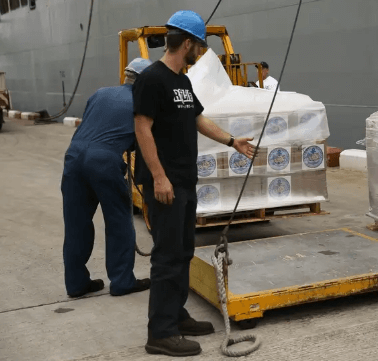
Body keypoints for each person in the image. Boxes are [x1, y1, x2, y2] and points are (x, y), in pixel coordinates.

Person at [133, 10, 256, 357]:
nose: (199, 53)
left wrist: (233, 141)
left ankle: (176, 313)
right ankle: (160, 332)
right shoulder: (152, 79)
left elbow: (197, 118)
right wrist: (159, 176)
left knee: (183, 252)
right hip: (165, 185)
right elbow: (142, 127)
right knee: (168, 257)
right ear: (186, 43)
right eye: (198, 47)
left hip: (185, 182)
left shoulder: (182, 83)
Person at [61, 58, 153, 298]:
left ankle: (76, 284)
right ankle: (122, 282)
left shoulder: (100, 93)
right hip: (103, 161)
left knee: (76, 224)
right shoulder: (142, 103)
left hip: (73, 157)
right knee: (119, 221)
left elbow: (96, 125)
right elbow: (142, 140)